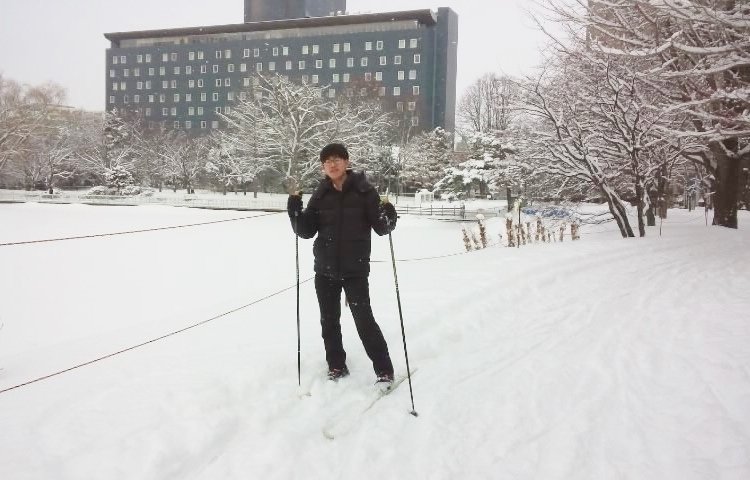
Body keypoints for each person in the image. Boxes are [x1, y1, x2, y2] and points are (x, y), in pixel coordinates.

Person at [287, 143, 398, 387]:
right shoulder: (321, 193)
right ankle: (336, 365)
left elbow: (382, 228)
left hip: (354, 269)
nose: (333, 164)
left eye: (337, 159)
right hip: (324, 270)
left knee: (364, 320)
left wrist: (389, 213)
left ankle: (384, 369)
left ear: (347, 162)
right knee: (329, 321)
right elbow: (305, 231)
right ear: (323, 166)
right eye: (327, 161)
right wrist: (294, 210)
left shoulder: (364, 191)